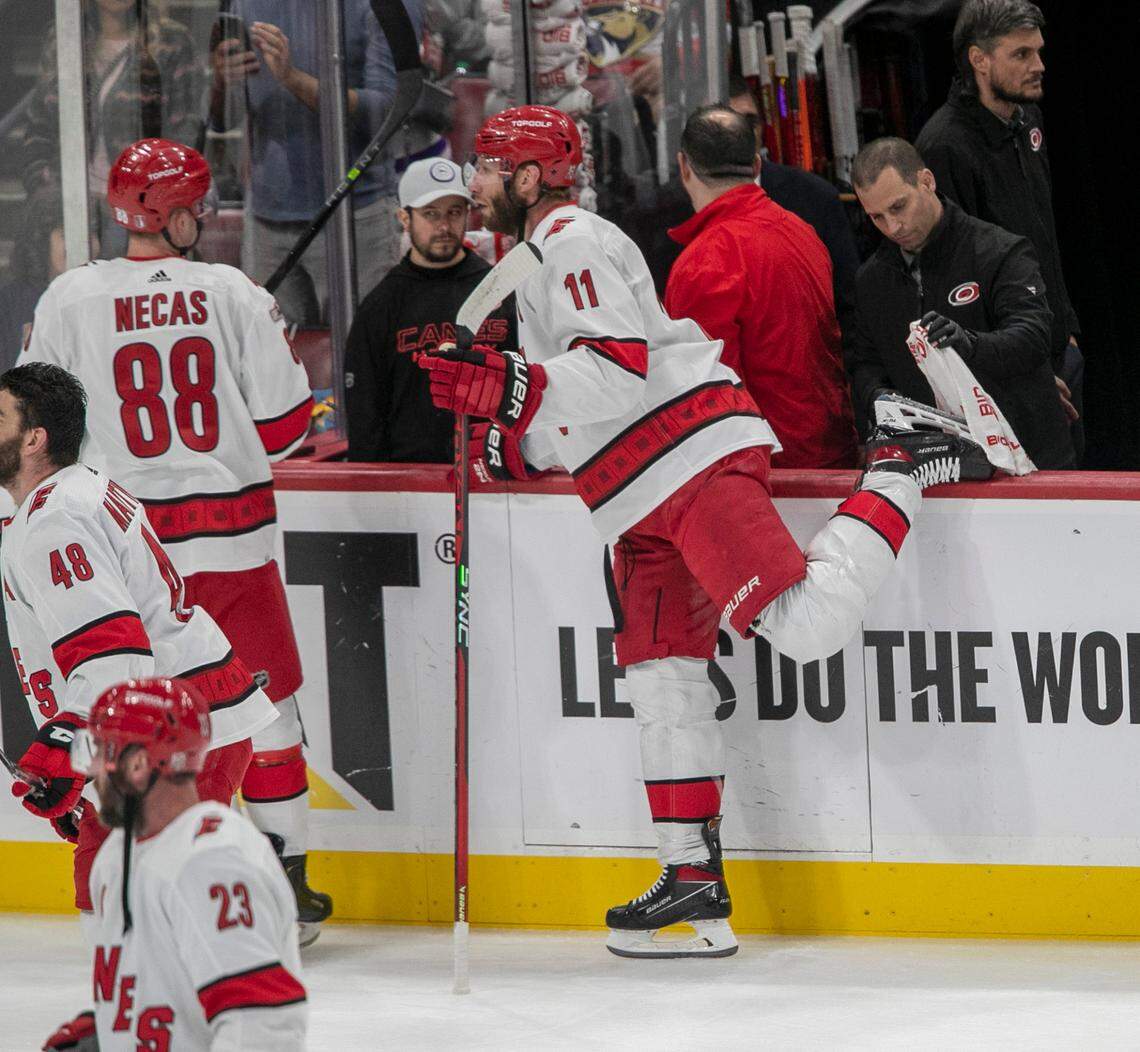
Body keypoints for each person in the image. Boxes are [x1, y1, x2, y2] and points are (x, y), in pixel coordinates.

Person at [417, 106, 993, 958]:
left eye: (491, 168)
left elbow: (616, 367)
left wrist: (507, 388)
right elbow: (563, 403)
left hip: (684, 459)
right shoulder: (528, 259)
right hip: (632, 493)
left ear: (533, 176)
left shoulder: (572, 238)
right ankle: (691, 883)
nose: (478, 184)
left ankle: (902, 463)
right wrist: (501, 422)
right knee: (662, 681)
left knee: (802, 626)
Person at [19, 139, 334, 943]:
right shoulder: (231, 290)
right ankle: (281, 883)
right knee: (263, 710)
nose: (211, 211)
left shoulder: (67, 298)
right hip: (230, 543)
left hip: (119, 543)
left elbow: (38, 422)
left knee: (128, 713)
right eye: (201, 200)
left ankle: (131, 896)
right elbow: (289, 427)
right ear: (179, 212)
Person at [0, 362, 277, 1045]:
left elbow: (113, 659)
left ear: (35, 439)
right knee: (112, 881)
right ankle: (140, 1020)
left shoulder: (54, 520)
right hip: (184, 719)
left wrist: (70, 759)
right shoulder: (72, 493)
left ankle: (158, 1027)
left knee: (138, 894)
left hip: (171, 730)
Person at [66, 677, 307, 1049]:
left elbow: (262, 1024)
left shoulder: (212, 860)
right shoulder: (117, 853)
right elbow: (160, 986)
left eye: (101, 752)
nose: (92, 770)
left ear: (137, 765)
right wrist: (107, 1031)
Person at [846, 137, 1074, 470]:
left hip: (1028, 456)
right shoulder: (872, 280)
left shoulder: (999, 250)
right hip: (936, 467)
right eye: (876, 217)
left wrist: (970, 344)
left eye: (898, 207)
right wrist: (877, 399)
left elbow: (1034, 335)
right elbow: (865, 364)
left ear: (927, 181)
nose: (893, 227)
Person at [915, 0, 1083, 451]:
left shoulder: (1028, 119)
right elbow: (957, 276)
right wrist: (1029, 373)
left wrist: (1063, 331)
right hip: (1005, 374)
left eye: (1039, 52)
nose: (1039, 66)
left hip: (1056, 345)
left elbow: (1041, 237)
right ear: (979, 59)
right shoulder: (944, 146)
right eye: (1022, 54)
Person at [665, 106, 857, 469]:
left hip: (768, 477)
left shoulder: (703, 263)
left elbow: (712, 405)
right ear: (756, 166)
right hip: (835, 457)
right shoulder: (802, 231)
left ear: (684, 167)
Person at [208, 0, 420, 327]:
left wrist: (292, 78)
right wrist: (222, 82)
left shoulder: (381, 4)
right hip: (267, 220)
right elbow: (222, 122)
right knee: (269, 359)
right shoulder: (244, 2)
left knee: (364, 355)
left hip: (354, 217)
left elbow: (386, 111)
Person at [345, 158, 516, 462]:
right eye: (430, 214)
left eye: (454, 212)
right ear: (404, 218)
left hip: (496, 475)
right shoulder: (380, 307)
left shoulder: (500, 291)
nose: (444, 226)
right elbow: (365, 417)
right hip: (410, 484)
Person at [20, 0, 203, 261]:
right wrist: (50, 193)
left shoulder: (171, 41)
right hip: (73, 206)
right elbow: (38, 129)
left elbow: (187, 130)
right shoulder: (65, 36)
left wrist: (155, 202)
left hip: (144, 212)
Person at [726, 74, 861, 344]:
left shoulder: (814, 197)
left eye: (749, 122)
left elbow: (851, 304)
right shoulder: (675, 213)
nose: (742, 134)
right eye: (729, 125)